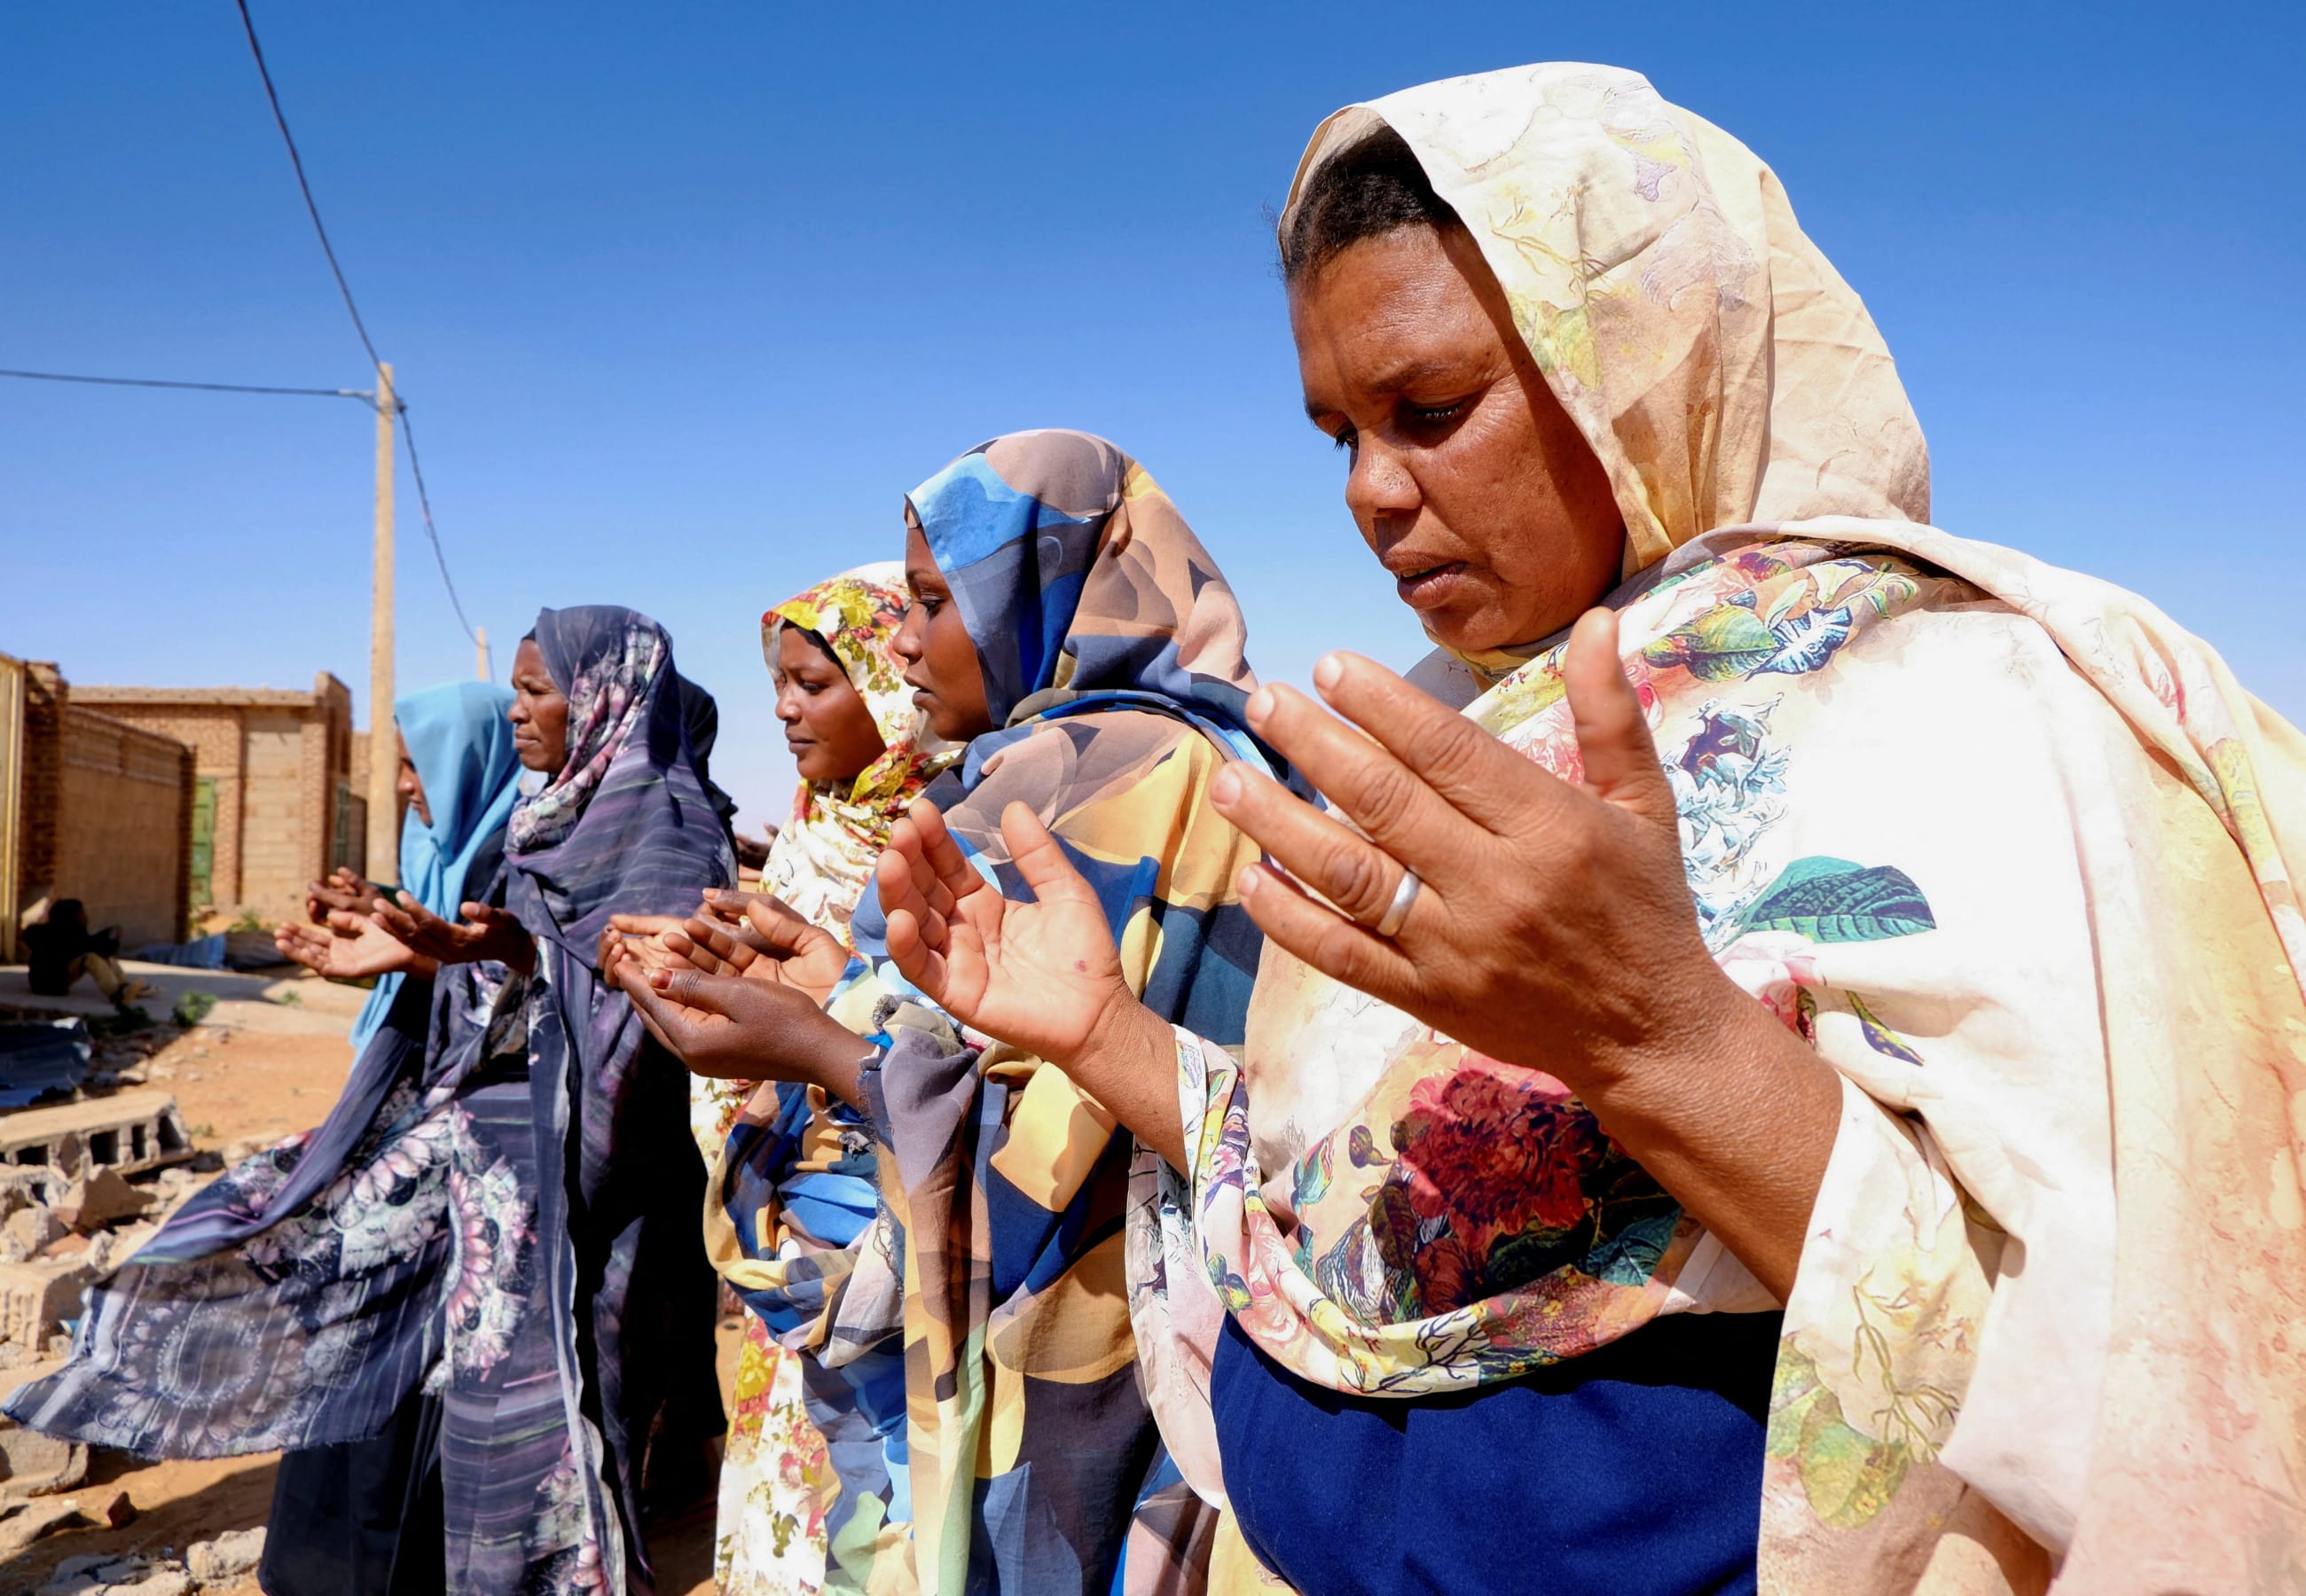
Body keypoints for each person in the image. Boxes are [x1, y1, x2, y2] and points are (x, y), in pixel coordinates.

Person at [871, 66, 2306, 1595]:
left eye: (1432, 412)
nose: (1371, 491)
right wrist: (1104, 1035)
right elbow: (1355, 1194)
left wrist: (1666, 1040)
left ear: (1641, 360)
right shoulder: (1453, 731)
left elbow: (2160, 1343)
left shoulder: (1990, 705)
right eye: (1337, 432)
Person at [619, 431, 1290, 1594]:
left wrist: (806, 1052)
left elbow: (947, 1195)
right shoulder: (1227, 756)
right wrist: (837, 974)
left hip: (1030, 1397)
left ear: (1033, 587)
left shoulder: (1049, 780)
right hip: (1196, 1376)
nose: (912, 642)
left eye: (935, 601)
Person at [9, 606, 736, 1596]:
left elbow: (660, 1028)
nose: (521, 712)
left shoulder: (665, 833)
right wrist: (422, 961)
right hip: (488, 1158)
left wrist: (508, 960)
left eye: (538, 691)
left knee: (549, 1418)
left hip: (578, 1188)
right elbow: (514, 993)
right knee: (298, 1241)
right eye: (515, 691)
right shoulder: (546, 819)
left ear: (604, 700)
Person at [608, 566, 953, 1594]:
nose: (784, 706)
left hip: (889, 1264)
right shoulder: (811, 829)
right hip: (776, 1258)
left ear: (886, 695)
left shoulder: (940, 843)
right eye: (779, 682)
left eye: (813, 682)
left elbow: (935, 1062)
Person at [22, 898, 147, 1006]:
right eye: (81, 913)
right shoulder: (68, 934)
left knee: (100, 956)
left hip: (52, 981)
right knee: (91, 958)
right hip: (53, 984)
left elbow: (90, 944)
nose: (84, 916)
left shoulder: (49, 931)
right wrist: (111, 939)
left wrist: (109, 936)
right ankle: (115, 993)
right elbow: (93, 947)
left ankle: (125, 987)